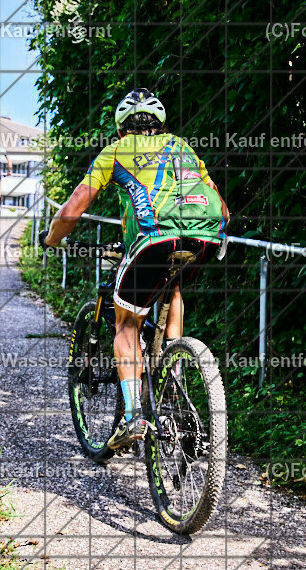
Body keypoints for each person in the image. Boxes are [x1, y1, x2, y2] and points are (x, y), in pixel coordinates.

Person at [40, 88, 230, 451]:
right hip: (203, 240)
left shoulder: (116, 151)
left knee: (126, 324)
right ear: (160, 124)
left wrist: (52, 238)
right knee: (172, 286)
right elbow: (222, 209)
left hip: (153, 242)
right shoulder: (183, 148)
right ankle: (173, 371)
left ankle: (132, 418)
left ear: (120, 127)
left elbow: (74, 207)